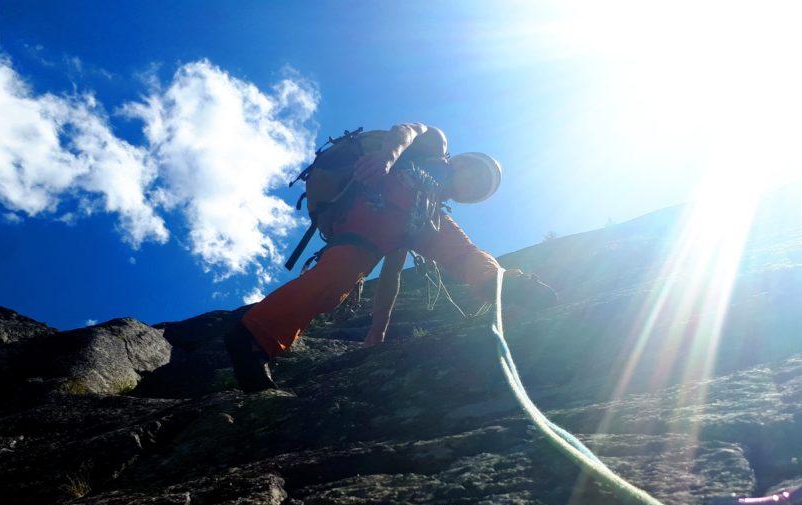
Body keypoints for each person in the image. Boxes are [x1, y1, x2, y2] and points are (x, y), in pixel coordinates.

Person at [224, 123, 556, 392]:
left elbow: (391, 276)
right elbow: (406, 129)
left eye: (479, 191)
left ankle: (497, 283)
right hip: (375, 199)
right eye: (476, 177)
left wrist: (377, 331)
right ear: (463, 161)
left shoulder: (429, 212)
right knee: (337, 280)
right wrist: (387, 157)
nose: (472, 188)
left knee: (344, 279)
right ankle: (256, 336)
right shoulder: (435, 149)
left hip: (391, 224)